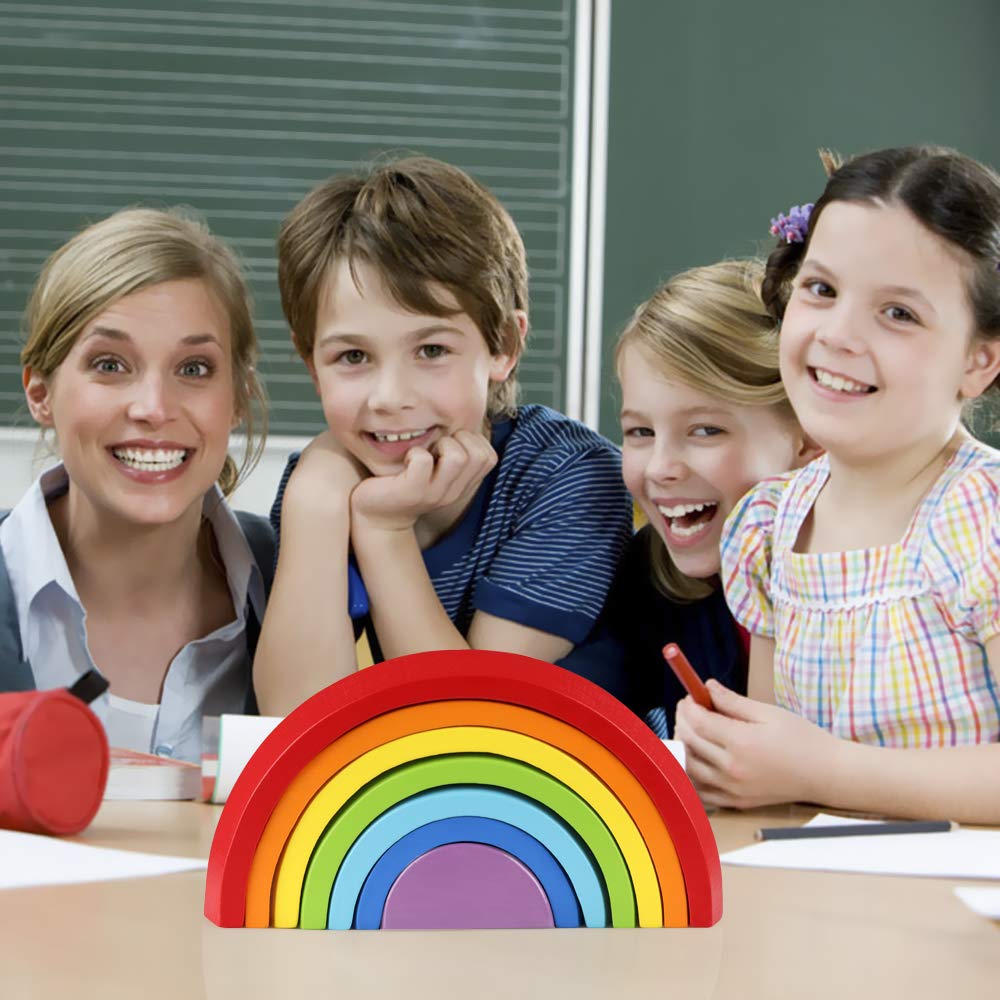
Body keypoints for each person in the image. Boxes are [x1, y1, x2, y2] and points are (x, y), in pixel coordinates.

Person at [675, 146, 1000, 824]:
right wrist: (731, 754)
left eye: (899, 313)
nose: (839, 334)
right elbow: (773, 784)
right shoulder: (770, 522)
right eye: (821, 290)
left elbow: (806, 770)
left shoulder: (983, 516)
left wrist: (820, 767)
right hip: (809, 902)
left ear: (979, 360)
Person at [253, 156, 633, 714]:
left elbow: (465, 719)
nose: (389, 396)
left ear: (503, 345)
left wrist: (384, 530)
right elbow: (295, 718)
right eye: (352, 356)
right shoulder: (328, 481)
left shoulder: (568, 475)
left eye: (431, 350)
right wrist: (314, 499)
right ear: (312, 363)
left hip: (595, 787)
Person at [0, 208, 274, 763]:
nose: (153, 408)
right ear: (41, 393)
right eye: (110, 364)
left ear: (239, 398)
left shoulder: (300, 582)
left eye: (194, 369)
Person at [606, 259, 817, 735]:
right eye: (639, 431)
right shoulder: (644, 580)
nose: (661, 468)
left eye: (705, 430)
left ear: (808, 438)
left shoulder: (871, 587)